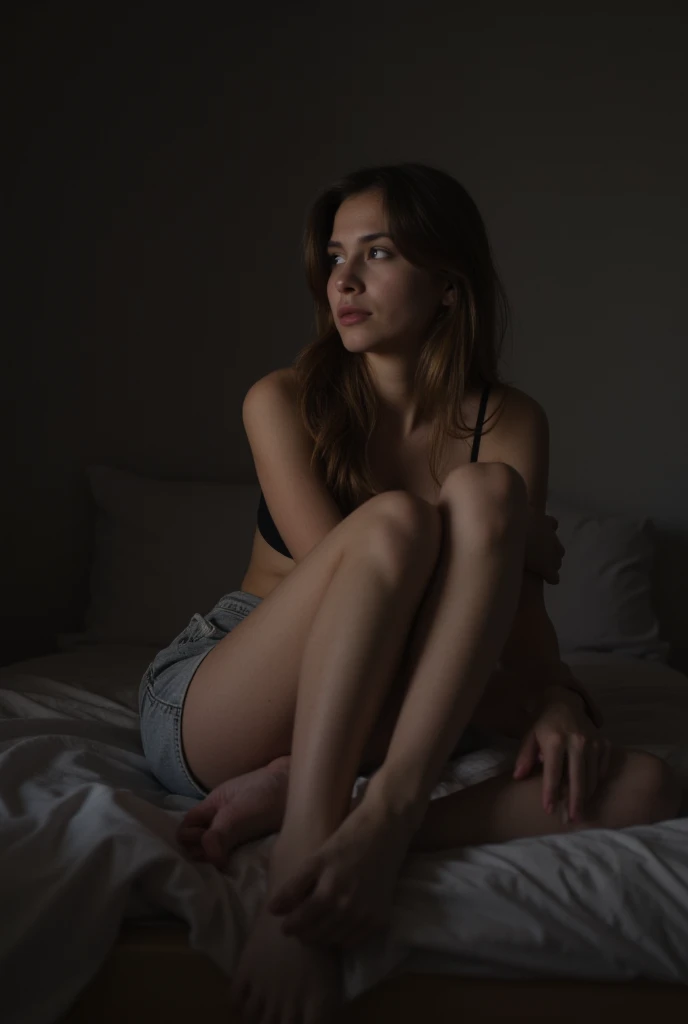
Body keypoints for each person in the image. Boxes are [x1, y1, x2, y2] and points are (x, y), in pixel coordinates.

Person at [138, 162, 681, 1024]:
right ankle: (302, 869)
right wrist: (509, 551)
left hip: (396, 694)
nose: (342, 279)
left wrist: (554, 697)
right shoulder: (283, 401)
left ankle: (374, 825)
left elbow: (520, 628)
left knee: (644, 788)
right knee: (399, 523)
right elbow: (354, 586)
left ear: (449, 285)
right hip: (233, 688)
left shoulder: (508, 421)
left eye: (378, 253)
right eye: (335, 255)